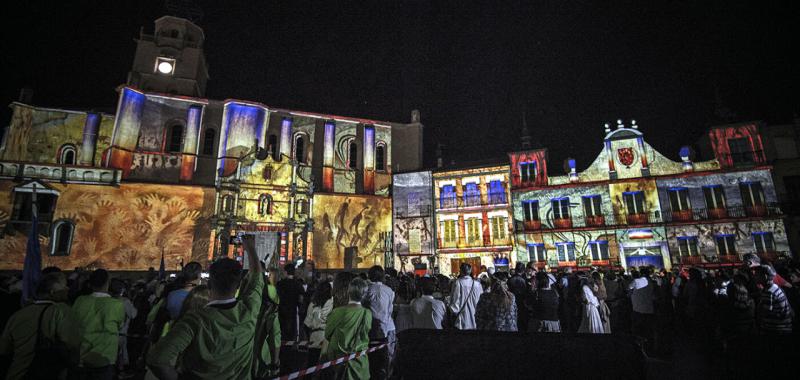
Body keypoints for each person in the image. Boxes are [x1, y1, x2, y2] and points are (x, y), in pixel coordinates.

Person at [147, 235, 263, 379]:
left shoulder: (195, 320)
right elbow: (257, 279)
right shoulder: (249, 312)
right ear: (238, 285)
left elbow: (157, 360)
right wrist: (251, 249)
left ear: (208, 284)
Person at [0, 272, 79, 380]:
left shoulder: (18, 315)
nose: (67, 289)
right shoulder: (61, 311)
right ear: (52, 292)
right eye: (64, 286)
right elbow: (72, 345)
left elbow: (4, 349)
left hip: (17, 373)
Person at [72, 269, 126, 380]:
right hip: (105, 355)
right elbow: (120, 325)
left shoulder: (80, 301)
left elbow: (73, 321)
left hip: (82, 353)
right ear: (107, 283)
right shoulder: (117, 304)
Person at [323, 278, 372, 380]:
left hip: (339, 362)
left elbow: (327, 334)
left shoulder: (337, 312)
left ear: (348, 292)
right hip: (359, 363)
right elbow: (365, 333)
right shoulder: (367, 313)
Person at [362, 266, 395, 380]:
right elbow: (390, 310)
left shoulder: (366, 290)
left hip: (369, 329)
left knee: (371, 360)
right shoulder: (389, 290)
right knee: (385, 360)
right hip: (386, 328)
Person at [253, 267, 281, 379]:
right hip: (262, 360)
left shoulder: (241, 298)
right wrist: (275, 364)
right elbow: (275, 338)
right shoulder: (270, 313)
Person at [109, 279, 138, 376]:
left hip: (108, 332)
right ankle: (120, 372)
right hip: (121, 332)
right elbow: (133, 314)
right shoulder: (125, 301)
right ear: (122, 290)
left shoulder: (107, 300)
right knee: (120, 353)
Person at [754, 264, 793, 334]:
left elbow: (765, 312)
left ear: (765, 276)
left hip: (778, 328)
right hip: (785, 326)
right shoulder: (773, 287)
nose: (754, 277)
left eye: (757, 275)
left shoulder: (769, 292)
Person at [304, 281, 333, 366]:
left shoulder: (313, 304)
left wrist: (309, 337)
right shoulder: (332, 303)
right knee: (324, 367)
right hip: (327, 339)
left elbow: (306, 324)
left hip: (314, 338)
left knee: (311, 366)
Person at [448, 263, 483, 330]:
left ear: (461, 271)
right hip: (475, 318)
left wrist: (453, 311)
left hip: (462, 319)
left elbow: (455, 301)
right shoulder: (477, 284)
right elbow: (481, 301)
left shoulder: (457, 282)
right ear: (470, 271)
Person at [277, 263, 305, 343]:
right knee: (292, 336)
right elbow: (301, 299)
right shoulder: (298, 284)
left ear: (286, 272)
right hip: (293, 313)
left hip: (281, 313)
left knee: (282, 336)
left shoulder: (280, 284)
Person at [629, 267, 655, 348]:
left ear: (641, 273)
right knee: (648, 330)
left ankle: (639, 347)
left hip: (638, 309)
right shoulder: (652, 282)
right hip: (649, 310)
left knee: (638, 331)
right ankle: (649, 346)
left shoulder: (636, 281)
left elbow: (629, 289)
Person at [507, 262, 529, 332]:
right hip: (522, 303)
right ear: (523, 270)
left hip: (511, 302)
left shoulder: (510, 280)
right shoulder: (523, 280)